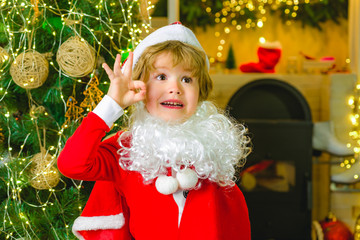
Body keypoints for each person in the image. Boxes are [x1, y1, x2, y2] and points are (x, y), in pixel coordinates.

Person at [57, 23, 251, 240]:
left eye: (187, 79)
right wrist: (111, 105)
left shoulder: (211, 148)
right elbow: (72, 164)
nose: (175, 88)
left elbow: (233, 224)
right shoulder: (125, 150)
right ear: (140, 86)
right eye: (161, 77)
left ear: (200, 91)